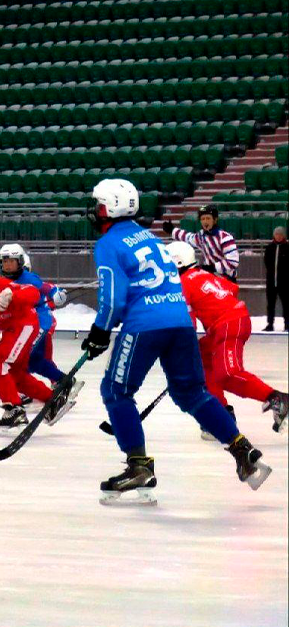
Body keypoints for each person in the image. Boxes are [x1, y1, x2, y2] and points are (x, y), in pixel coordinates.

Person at [84, 179, 271, 506]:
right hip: (180, 323)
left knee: (115, 391)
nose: (94, 211)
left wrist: (100, 331)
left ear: (109, 209)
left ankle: (138, 467)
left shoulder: (109, 243)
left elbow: (113, 299)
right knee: (191, 392)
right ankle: (241, 449)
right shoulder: (152, 238)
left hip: (146, 324)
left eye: (98, 205)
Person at [167, 241, 287, 436]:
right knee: (202, 360)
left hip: (228, 324)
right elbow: (231, 288)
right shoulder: (203, 273)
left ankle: (277, 399)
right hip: (229, 321)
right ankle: (221, 414)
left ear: (176, 263)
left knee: (228, 374)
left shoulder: (182, 284)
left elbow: (188, 325)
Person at [0, 247, 81, 436]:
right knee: (16, 375)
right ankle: (52, 401)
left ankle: (15, 411)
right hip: (12, 330)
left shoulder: (0, 283)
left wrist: (11, 295)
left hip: (25, 326)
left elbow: (32, 293)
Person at [0, 244, 67, 386]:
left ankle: (38, 384)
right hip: (23, 325)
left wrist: (56, 293)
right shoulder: (0, 281)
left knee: (24, 356)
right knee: (34, 361)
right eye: (5, 262)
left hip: (39, 322)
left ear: (20, 262)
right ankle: (61, 381)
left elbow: (45, 287)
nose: (8, 265)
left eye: (11, 261)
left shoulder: (28, 278)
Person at [162, 205, 239, 282]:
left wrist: (212, 267)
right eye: (203, 219)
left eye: (208, 218)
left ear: (215, 220)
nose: (205, 221)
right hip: (211, 278)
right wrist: (172, 230)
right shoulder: (201, 236)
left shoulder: (225, 237)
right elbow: (188, 238)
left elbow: (233, 262)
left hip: (227, 280)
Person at [263, 226, 288, 332]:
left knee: (286, 304)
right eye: (277, 234)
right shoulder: (269, 247)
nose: (278, 236)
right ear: (274, 235)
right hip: (271, 282)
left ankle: (287, 325)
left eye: (280, 234)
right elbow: (266, 262)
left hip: (285, 282)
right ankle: (270, 324)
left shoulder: (287, 247)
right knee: (270, 304)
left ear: (284, 236)